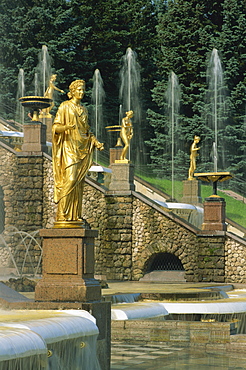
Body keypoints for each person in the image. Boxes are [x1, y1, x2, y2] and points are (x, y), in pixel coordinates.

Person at [52, 79, 104, 222]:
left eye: (83, 89)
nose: (81, 92)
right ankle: (62, 213)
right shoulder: (64, 107)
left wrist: (96, 142)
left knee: (78, 183)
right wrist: (66, 127)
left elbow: (87, 132)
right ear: (72, 91)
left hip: (82, 148)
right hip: (69, 148)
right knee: (71, 178)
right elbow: (55, 128)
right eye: (78, 89)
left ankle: (74, 215)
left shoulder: (84, 110)